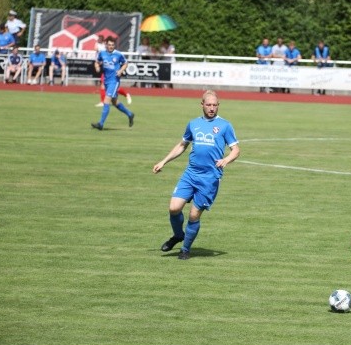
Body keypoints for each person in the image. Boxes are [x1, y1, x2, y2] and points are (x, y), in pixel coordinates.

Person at [153, 90, 240, 260]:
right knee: (174, 208)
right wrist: (163, 161)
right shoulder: (193, 124)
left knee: (193, 215)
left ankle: (185, 249)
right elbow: (182, 145)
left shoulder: (225, 125)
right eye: (208, 105)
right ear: (202, 105)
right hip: (191, 173)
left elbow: (236, 150)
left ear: (218, 106)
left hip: (210, 178)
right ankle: (178, 235)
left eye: (215, 105)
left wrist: (226, 160)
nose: (212, 108)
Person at [91, 36, 135, 130]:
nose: (111, 46)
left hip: (114, 81)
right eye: (109, 45)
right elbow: (97, 62)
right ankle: (130, 114)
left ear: (115, 45)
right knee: (114, 102)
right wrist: (97, 67)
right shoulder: (102, 53)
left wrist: (120, 71)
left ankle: (101, 124)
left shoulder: (118, 54)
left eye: (113, 45)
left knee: (106, 100)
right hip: (106, 80)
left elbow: (126, 63)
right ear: (106, 45)